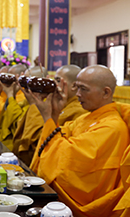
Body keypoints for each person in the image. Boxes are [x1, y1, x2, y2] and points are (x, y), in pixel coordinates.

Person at [30, 65, 128, 217]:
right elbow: (56, 139)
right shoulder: (85, 118)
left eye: (84, 89)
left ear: (106, 92)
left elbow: (68, 159)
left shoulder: (113, 127)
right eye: (76, 88)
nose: (77, 94)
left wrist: (47, 118)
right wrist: (54, 115)